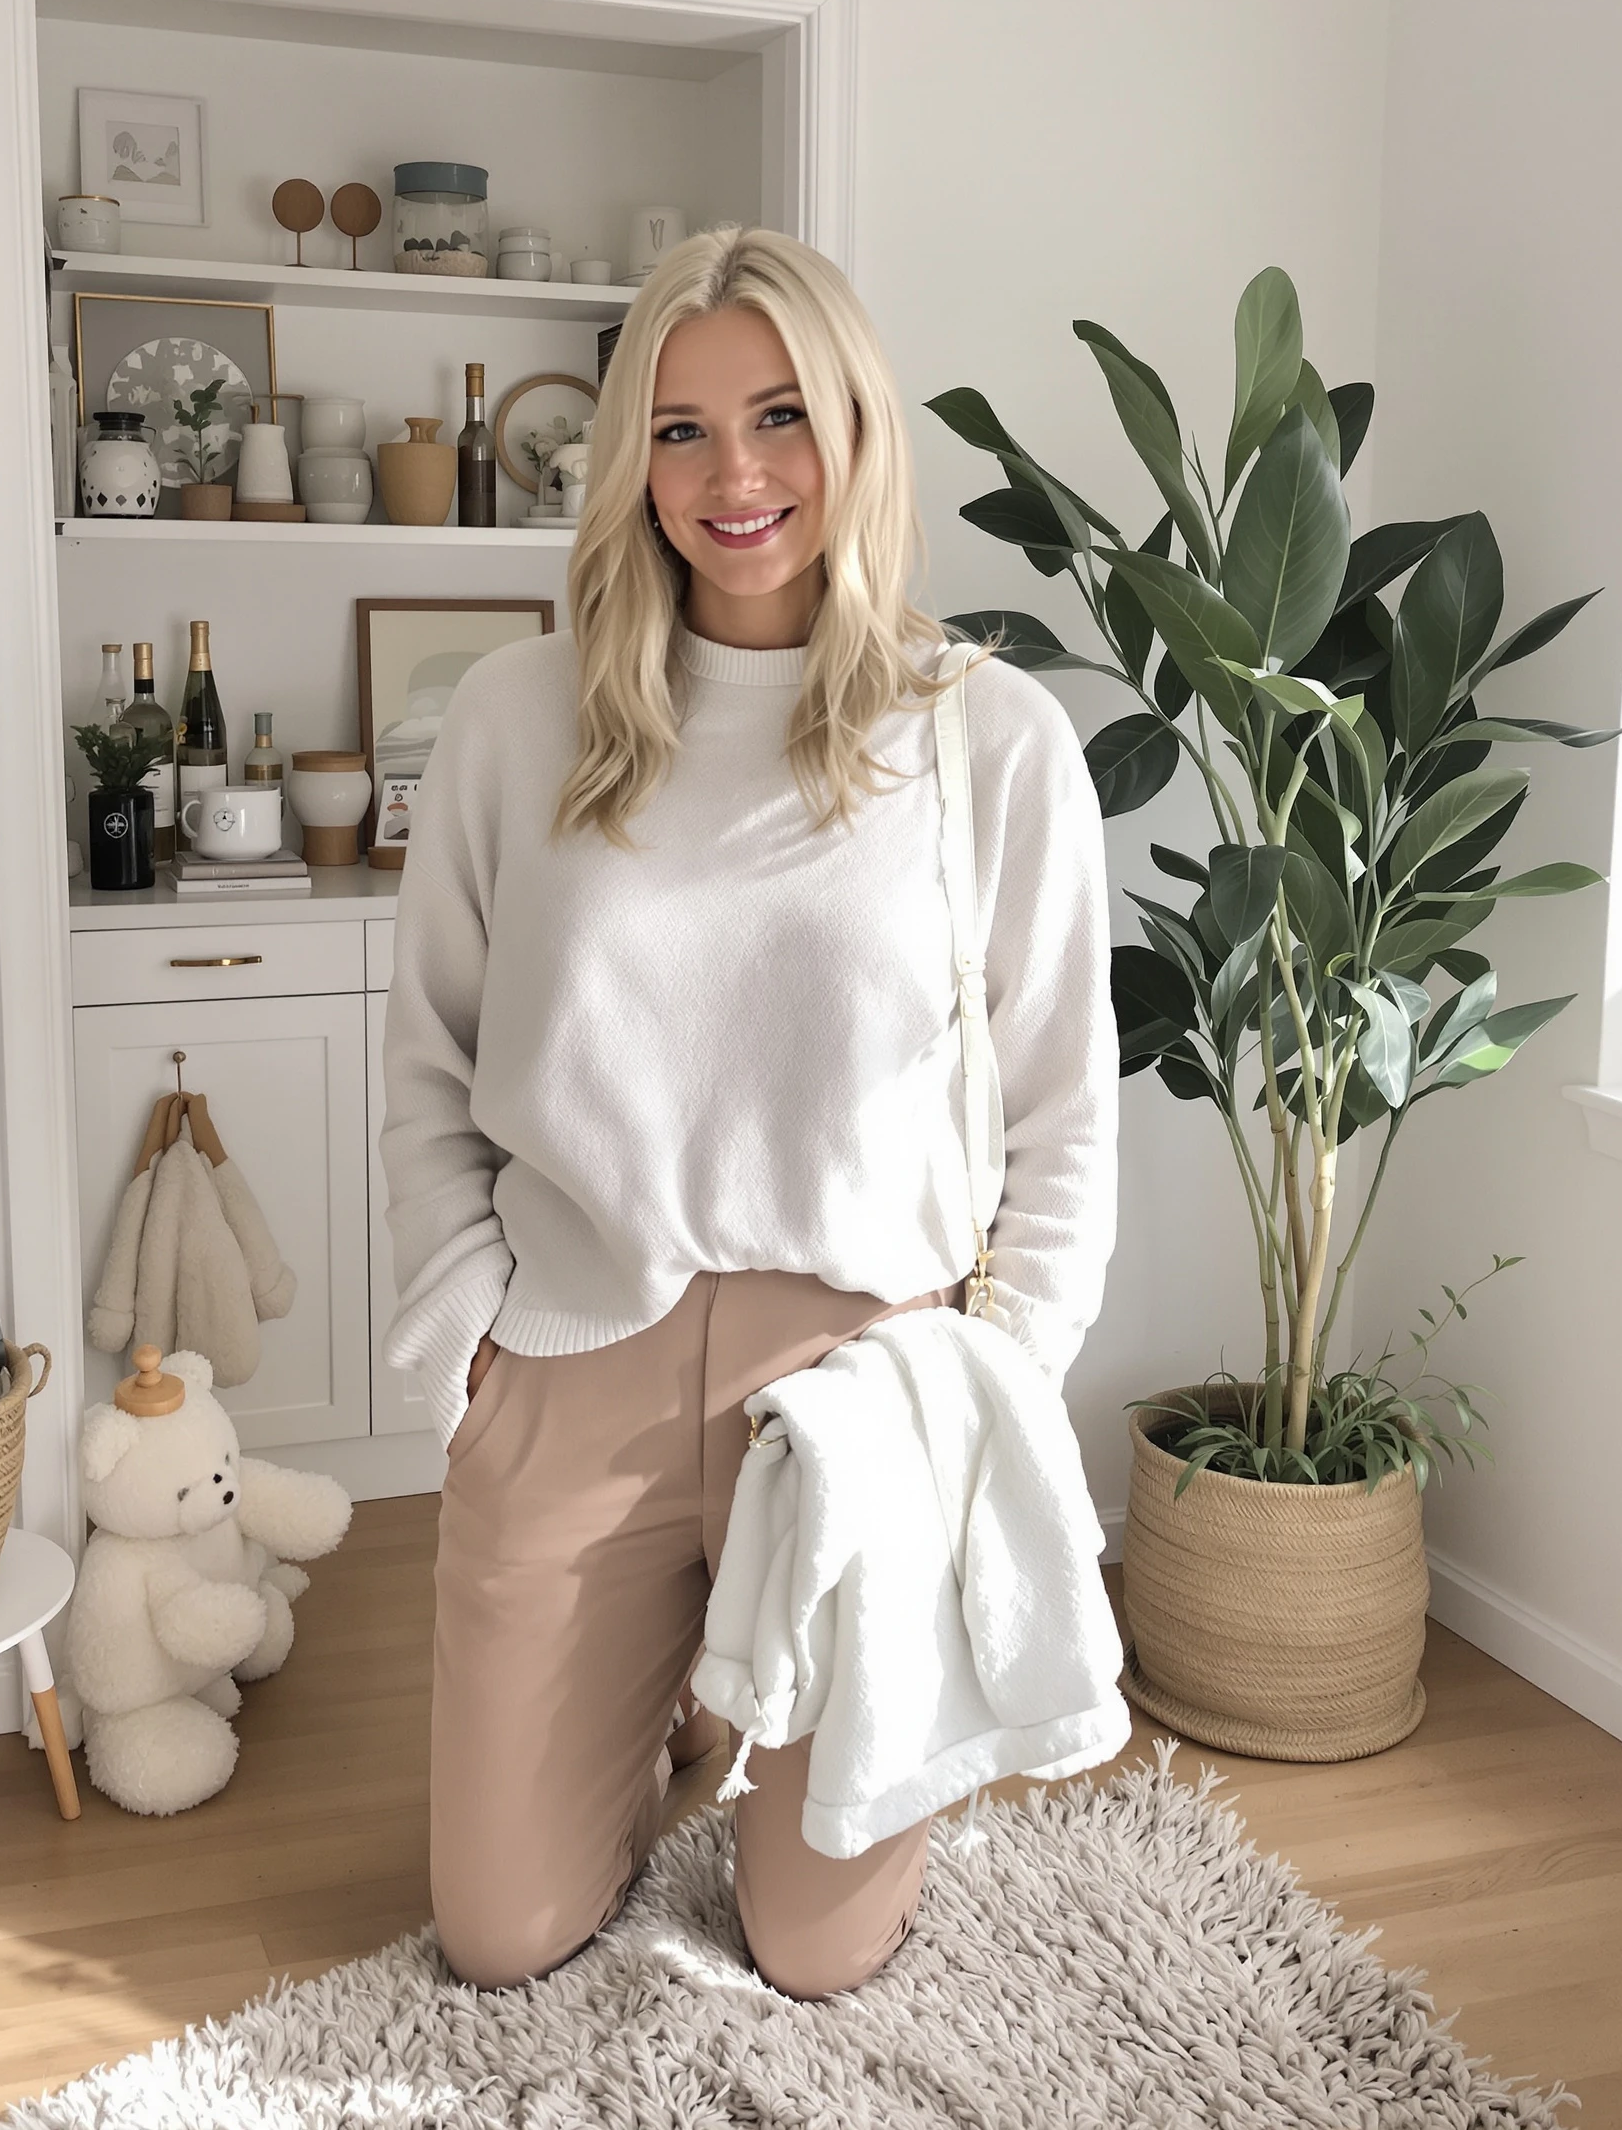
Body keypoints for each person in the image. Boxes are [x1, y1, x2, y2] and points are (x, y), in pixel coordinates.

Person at [378, 225, 1117, 2002]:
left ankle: (755, 1711)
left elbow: (1061, 1113)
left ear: (855, 432)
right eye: (684, 427)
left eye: (780, 416)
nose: (736, 477)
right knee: (503, 1933)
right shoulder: (513, 717)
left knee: (811, 1954)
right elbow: (427, 1061)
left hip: (865, 1384)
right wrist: (466, 1336)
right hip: (576, 1355)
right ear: (630, 450)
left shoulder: (989, 741)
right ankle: (674, 1715)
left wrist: (990, 1384)